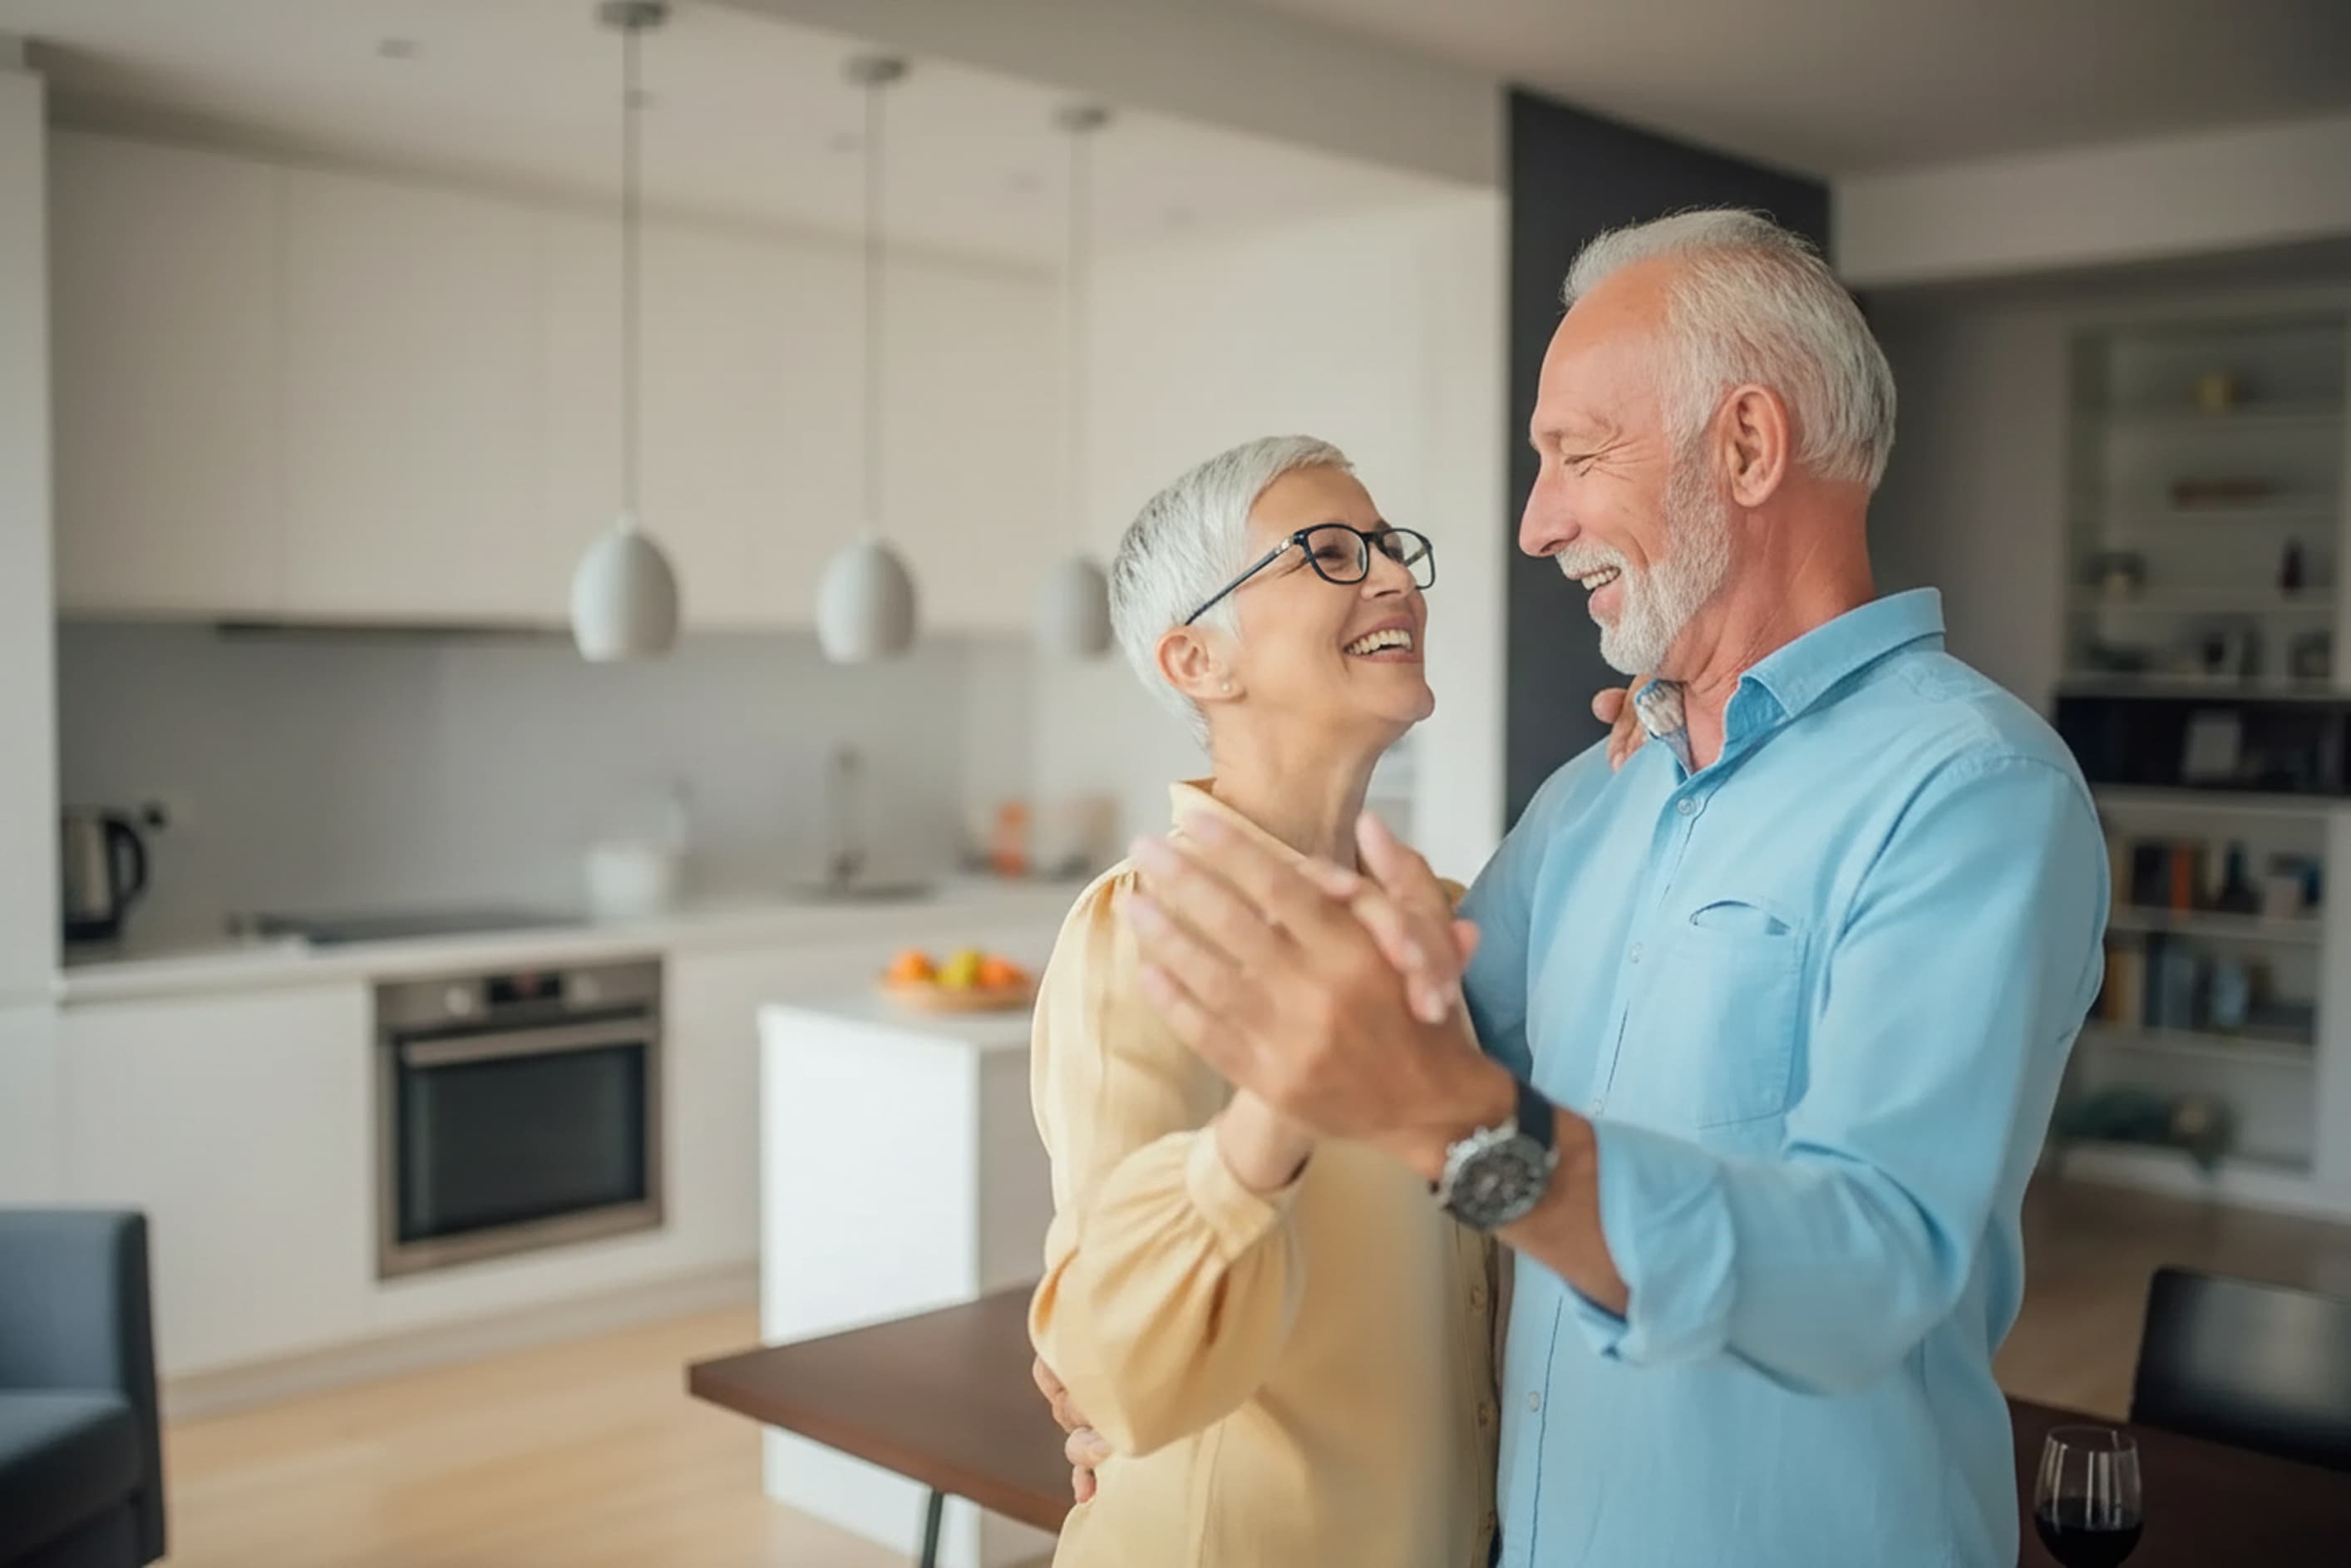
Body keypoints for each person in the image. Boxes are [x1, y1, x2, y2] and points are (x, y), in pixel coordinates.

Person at [1110, 210, 2109, 1566]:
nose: (1535, 524)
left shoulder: (1972, 791)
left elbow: (1870, 1266)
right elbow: (1383, 1065)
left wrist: (1477, 1134)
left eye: (1577, 456)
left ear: (1748, 446)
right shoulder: (1592, 800)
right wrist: (1109, 1350)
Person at [1025, 435, 1499, 1568]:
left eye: (1389, 546)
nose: (1392, 576)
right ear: (1198, 660)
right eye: (1329, 552)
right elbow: (1119, 1367)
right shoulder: (1141, 933)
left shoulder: (1448, 916)